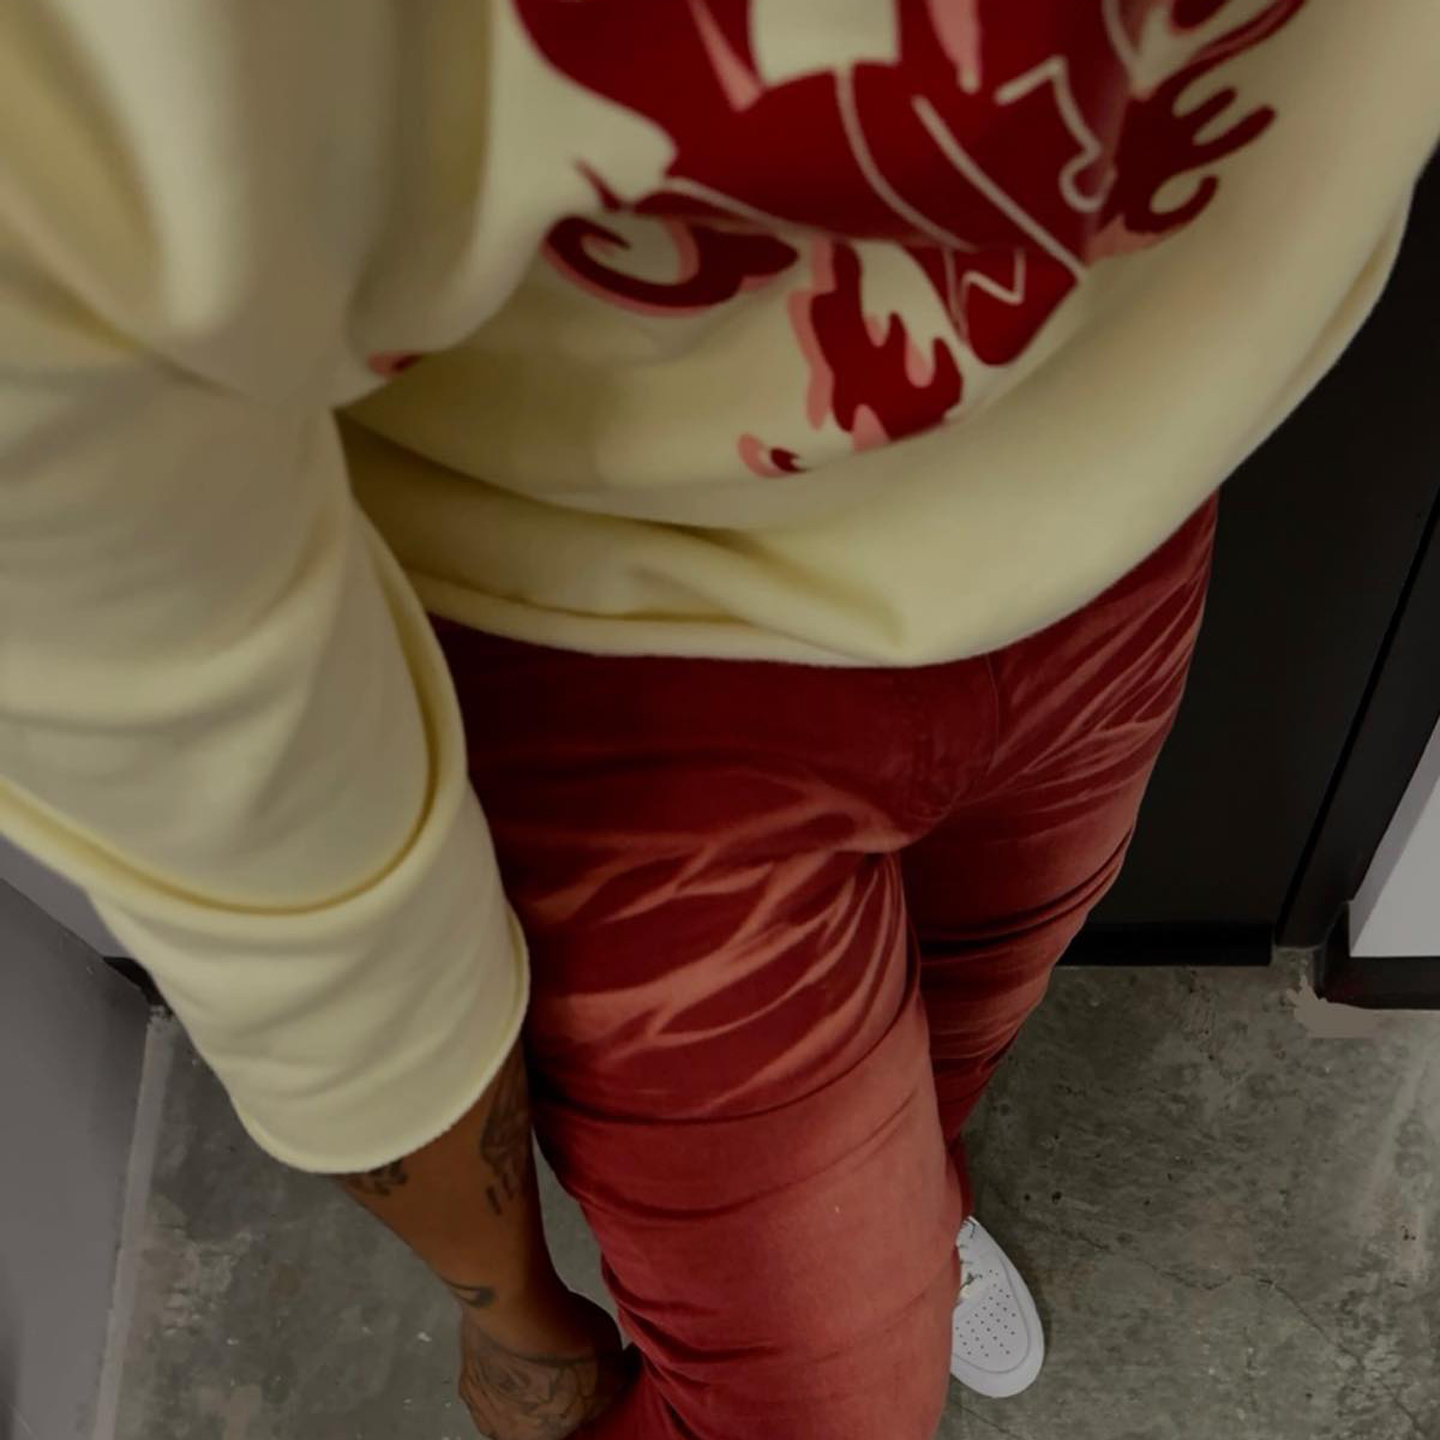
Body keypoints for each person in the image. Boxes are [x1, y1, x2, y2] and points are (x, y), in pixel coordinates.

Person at [2, 3, 1436, 1437]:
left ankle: (916, 1208)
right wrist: (520, 1320)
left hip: (1127, 490)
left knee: (976, 1004)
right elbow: (244, 811)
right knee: (806, 1413)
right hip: (617, 659)